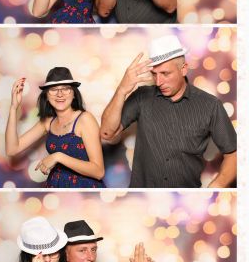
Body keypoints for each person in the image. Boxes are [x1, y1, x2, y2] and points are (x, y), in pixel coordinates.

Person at [100, 35, 237, 188]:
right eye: (154, 74)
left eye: (165, 73)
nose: (159, 82)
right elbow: (107, 133)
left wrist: (216, 186)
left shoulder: (210, 105)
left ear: (183, 69)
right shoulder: (141, 97)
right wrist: (122, 90)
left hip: (185, 197)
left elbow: (233, 153)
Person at [5, 66, 105, 187]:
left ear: (74, 94)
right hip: (55, 186)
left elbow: (99, 172)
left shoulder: (85, 119)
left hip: (83, 189)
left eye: (66, 89)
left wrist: (58, 157)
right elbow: (12, 149)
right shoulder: (48, 122)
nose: (60, 94)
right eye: (53, 89)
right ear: (47, 96)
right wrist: (13, 108)